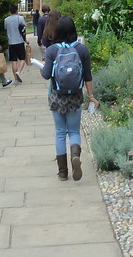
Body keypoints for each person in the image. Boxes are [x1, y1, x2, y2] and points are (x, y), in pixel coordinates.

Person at [40, 15, 97, 181]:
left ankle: (63, 172)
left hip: (56, 96)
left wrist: (42, 67)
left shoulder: (52, 50)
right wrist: (91, 96)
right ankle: (75, 156)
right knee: (73, 131)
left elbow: (46, 75)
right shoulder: (81, 49)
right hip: (75, 97)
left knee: (59, 133)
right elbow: (87, 75)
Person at [4, 3, 28, 83]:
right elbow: (23, 31)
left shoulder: (6, 20)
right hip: (19, 41)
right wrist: (26, 40)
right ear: (17, 10)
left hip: (11, 42)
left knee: (14, 61)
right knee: (22, 58)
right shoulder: (20, 18)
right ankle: (19, 71)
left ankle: (15, 79)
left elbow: (6, 29)